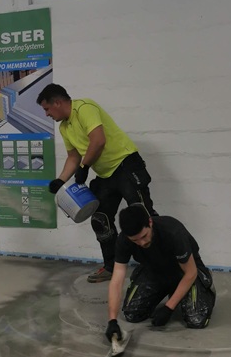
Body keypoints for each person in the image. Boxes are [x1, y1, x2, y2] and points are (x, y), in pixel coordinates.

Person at [36, 83, 156, 283]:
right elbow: (74, 157)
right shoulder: (64, 127)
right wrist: (60, 180)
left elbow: (98, 140)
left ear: (57, 103)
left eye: (47, 109)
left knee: (144, 215)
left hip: (125, 164)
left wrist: (84, 167)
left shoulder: (84, 108)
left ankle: (156, 266)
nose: (46, 114)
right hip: (105, 174)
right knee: (100, 219)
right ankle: (111, 267)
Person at [105, 204, 215, 339]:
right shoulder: (123, 240)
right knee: (132, 314)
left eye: (144, 236)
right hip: (155, 270)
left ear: (150, 222)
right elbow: (116, 280)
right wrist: (112, 320)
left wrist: (169, 307)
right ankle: (169, 289)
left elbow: (190, 273)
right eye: (135, 240)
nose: (141, 243)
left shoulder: (173, 232)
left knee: (196, 320)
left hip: (185, 271)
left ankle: (204, 286)